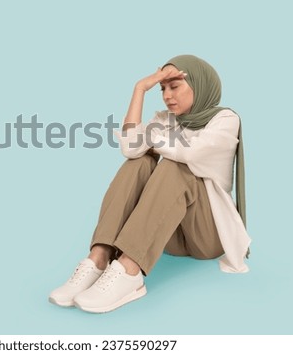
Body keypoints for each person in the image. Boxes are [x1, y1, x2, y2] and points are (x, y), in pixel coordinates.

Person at [48, 54, 251, 314]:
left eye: (174, 86)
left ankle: (130, 270)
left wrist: (153, 143)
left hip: (207, 236)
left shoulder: (225, 120)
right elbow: (129, 149)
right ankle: (99, 258)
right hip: (167, 234)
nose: (167, 96)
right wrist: (139, 89)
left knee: (175, 166)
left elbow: (190, 154)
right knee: (139, 163)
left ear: (199, 85)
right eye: (162, 88)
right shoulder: (165, 120)